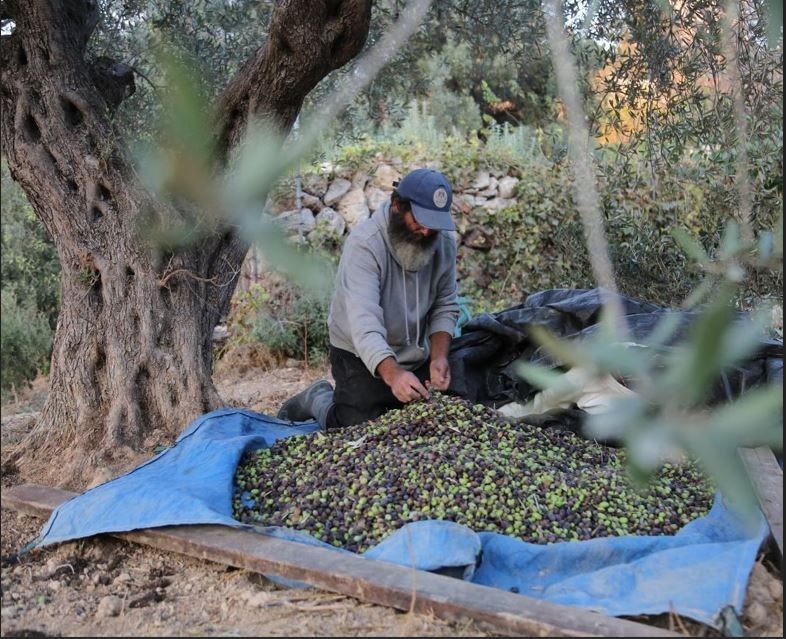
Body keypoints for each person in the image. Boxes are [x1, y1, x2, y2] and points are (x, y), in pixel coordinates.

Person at [276, 167, 460, 429]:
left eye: (434, 225)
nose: (427, 232)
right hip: (358, 353)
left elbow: (445, 304)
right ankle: (318, 397)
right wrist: (394, 374)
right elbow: (365, 324)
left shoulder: (443, 244)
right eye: (420, 221)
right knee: (357, 426)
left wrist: (439, 358)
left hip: (413, 351)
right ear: (397, 206)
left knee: (436, 411)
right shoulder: (365, 245)